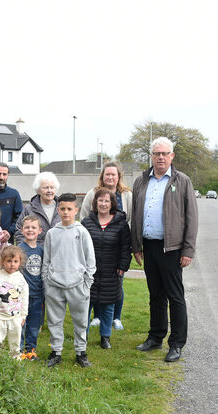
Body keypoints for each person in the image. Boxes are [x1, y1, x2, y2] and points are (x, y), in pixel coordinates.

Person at [130, 137, 198, 363]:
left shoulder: (182, 181)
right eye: (157, 153)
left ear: (172, 156)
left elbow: (191, 217)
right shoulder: (142, 181)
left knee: (175, 296)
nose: (160, 157)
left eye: (164, 153)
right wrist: (136, 246)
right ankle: (156, 337)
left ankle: (176, 343)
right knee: (155, 295)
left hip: (172, 248)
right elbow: (136, 214)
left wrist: (188, 250)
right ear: (151, 156)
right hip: (149, 246)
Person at [42, 193, 96, 368]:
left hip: (77, 285)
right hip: (54, 285)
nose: (66, 212)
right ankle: (56, 351)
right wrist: (46, 282)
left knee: (81, 321)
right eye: (62, 208)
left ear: (76, 210)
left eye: (69, 209)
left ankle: (81, 352)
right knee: (54, 321)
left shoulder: (82, 232)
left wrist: (86, 284)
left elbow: (90, 261)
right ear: (58, 210)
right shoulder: (52, 233)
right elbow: (46, 260)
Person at [80, 161, 133, 331]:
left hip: (115, 245)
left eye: (113, 174)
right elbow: (84, 216)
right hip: (95, 245)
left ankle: (116, 317)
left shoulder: (126, 195)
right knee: (94, 284)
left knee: (116, 285)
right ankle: (97, 316)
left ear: (119, 177)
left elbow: (130, 218)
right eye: (107, 174)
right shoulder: (92, 193)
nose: (110, 177)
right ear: (102, 176)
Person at [0, 245, 29, 359]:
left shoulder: (20, 278)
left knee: (15, 342)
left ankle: (15, 360)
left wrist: (24, 315)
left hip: (15, 317)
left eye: (15, 261)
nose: (12, 264)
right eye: (9, 261)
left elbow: (24, 297)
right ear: (2, 262)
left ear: (20, 262)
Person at [17, 215, 44, 360]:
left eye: (33, 227)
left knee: (34, 324)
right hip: (22, 295)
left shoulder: (42, 250)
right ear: (22, 230)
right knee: (21, 323)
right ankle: (19, 350)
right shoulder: (19, 249)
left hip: (38, 293)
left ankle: (31, 350)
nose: (30, 230)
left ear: (40, 230)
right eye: (27, 227)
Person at [14, 171, 61, 245]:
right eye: (45, 187)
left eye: (52, 187)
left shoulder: (62, 208)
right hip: (36, 251)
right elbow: (19, 231)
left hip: (58, 250)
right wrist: (26, 249)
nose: (49, 190)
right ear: (38, 190)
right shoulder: (29, 209)